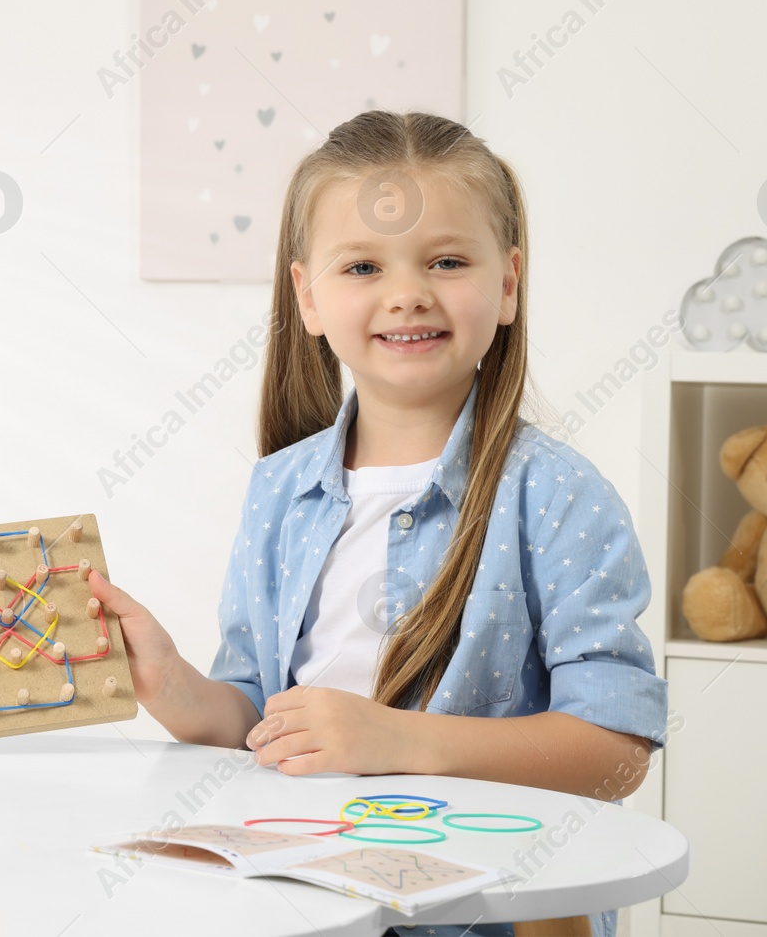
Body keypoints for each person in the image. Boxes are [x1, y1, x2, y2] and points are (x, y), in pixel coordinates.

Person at [86, 110, 669, 937]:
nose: (407, 292)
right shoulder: (279, 490)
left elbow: (614, 755)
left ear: (507, 284)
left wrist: (398, 739)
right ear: (308, 297)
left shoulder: (558, 494)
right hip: (306, 901)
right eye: (363, 265)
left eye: (447, 260)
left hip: (488, 916)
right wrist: (172, 684)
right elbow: (257, 720)